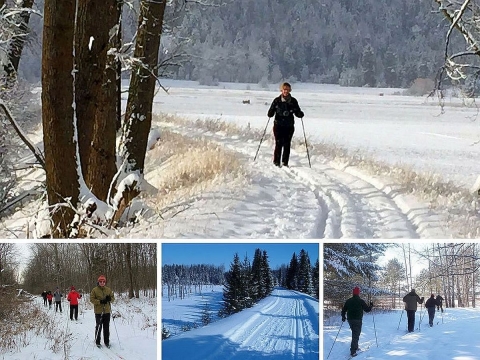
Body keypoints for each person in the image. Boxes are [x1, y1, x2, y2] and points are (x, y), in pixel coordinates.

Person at [267, 82, 304, 167]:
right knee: (278, 143)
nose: (286, 91)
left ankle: (285, 162)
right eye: (284, 89)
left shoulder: (293, 101)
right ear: (281, 90)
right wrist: (270, 113)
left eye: (287, 89)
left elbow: (297, 112)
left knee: (287, 144)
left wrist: (300, 114)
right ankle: (276, 162)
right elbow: (271, 112)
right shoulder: (277, 100)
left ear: (290, 90)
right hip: (278, 125)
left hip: (289, 126)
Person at [341, 286, 373, 357]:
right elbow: (367, 310)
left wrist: (343, 316)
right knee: (355, 335)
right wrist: (371, 306)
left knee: (355, 333)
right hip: (357, 320)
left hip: (350, 320)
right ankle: (353, 351)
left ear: (353, 293)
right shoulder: (361, 301)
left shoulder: (348, 301)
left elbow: (344, 310)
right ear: (358, 293)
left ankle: (355, 347)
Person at [90, 275, 115, 348]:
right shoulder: (94, 290)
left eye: (103, 281)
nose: (102, 283)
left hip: (107, 311)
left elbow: (113, 298)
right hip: (99, 312)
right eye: (100, 281)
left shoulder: (108, 290)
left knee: (106, 327)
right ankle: (97, 342)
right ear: (98, 282)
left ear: (105, 282)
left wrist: (109, 299)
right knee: (99, 327)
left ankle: (107, 342)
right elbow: (92, 299)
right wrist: (100, 301)